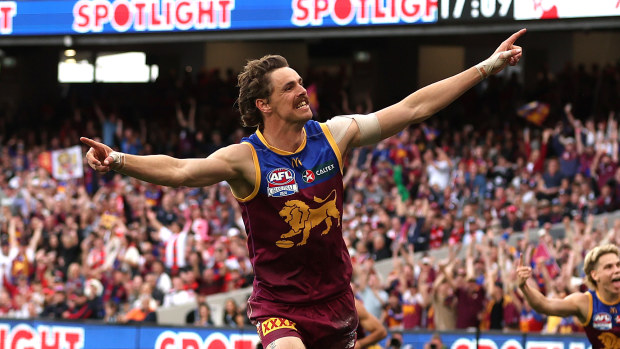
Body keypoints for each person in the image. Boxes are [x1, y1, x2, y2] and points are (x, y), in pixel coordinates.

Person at [81, 29, 525, 349]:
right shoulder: (245, 159)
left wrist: (487, 66)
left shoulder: (335, 134)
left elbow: (412, 108)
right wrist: (119, 160)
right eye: (289, 86)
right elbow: (180, 170)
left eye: (300, 83)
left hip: (335, 301)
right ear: (264, 104)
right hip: (278, 304)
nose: (302, 90)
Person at [516, 244, 620, 347]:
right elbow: (544, 305)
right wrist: (523, 286)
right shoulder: (585, 302)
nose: (617, 270)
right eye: (609, 267)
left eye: (618, 265)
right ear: (595, 275)